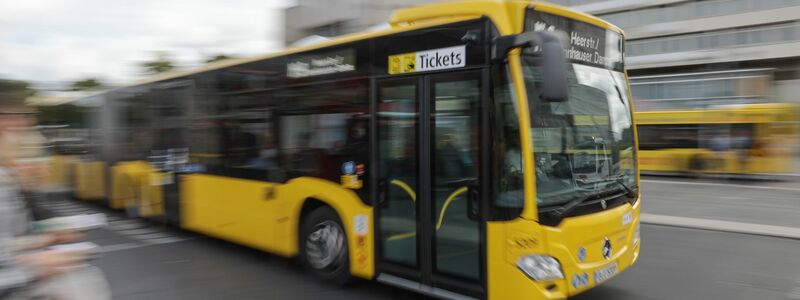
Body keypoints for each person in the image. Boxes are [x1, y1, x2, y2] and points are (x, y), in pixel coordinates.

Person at [0, 97, 110, 300]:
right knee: (79, 284)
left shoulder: (10, 184)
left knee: (83, 278)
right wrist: (36, 265)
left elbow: (32, 219)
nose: (34, 163)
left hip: (17, 272)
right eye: (23, 151)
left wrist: (51, 236)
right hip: (14, 278)